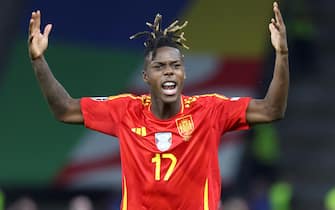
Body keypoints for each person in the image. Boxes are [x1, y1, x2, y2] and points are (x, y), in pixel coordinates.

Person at [28, 2, 289, 209]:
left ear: (184, 74)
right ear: (146, 77)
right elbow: (64, 109)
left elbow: (271, 110)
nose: (169, 73)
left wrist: (282, 55)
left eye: (176, 66)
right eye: (159, 67)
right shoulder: (126, 111)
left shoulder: (209, 110)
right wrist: (39, 61)